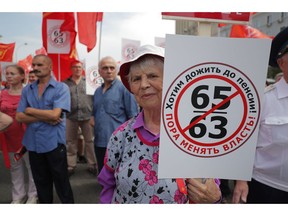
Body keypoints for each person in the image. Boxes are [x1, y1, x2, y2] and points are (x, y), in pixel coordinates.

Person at [97, 45, 221, 203]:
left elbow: (209, 190)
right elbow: (107, 187)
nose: (143, 85)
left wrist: (215, 199)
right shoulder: (120, 136)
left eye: (152, 76)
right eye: (136, 79)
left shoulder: (195, 133)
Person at [232, 27, 288, 204]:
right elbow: (242, 143)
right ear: (282, 63)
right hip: (266, 187)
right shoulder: (262, 100)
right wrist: (241, 180)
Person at [16, 54, 74, 203]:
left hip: (54, 143)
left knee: (62, 184)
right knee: (41, 185)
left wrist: (30, 110)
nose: (35, 68)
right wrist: (46, 116)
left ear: (50, 67)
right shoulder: (27, 89)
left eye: (40, 65)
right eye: (34, 65)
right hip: (33, 144)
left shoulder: (61, 88)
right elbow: (19, 117)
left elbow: (55, 115)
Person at [90, 56, 138, 174]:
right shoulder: (97, 91)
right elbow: (94, 114)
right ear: (100, 71)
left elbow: (133, 117)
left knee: (118, 177)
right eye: (105, 68)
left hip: (118, 144)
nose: (109, 70)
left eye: (112, 67)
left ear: (116, 70)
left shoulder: (124, 89)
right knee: (103, 175)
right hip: (99, 142)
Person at [0, 64, 38, 204]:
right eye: (7, 73)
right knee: (15, 167)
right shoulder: (2, 94)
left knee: (31, 166)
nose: (8, 76)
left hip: (27, 135)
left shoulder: (29, 92)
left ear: (22, 76)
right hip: (9, 136)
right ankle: (18, 196)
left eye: (12, 73)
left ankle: (33, 195)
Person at [63, 60, 97, 176]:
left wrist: (94, 114)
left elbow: (95, 98)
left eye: (79, 67)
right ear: (71, 68)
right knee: (70, 142)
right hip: (70, 116)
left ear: (82, 68)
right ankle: (70, 165)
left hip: (87, 115)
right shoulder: (65, 83)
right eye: (75, 67)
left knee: (90, 141)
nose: (77, 69)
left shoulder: (88, 82)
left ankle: (92, 164)